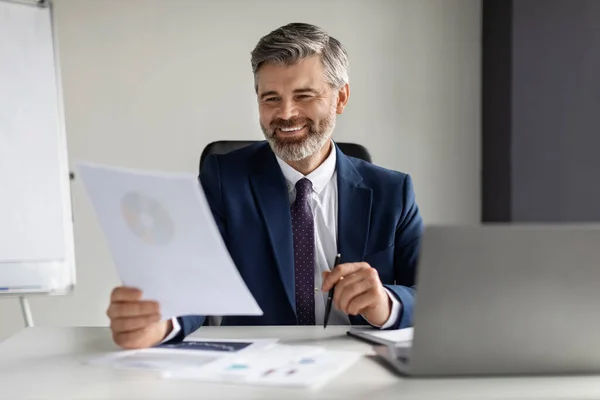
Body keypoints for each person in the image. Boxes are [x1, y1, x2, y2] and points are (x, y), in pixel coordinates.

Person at [107, 22, 424, 349]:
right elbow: (194, 281)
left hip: (359, 364)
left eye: (303, 95)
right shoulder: (223, 179)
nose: (286, 114)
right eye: (271, 98)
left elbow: (432, 293)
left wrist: (386, 303)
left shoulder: (392, 192)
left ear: (340, 98)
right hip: (255, 364)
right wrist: (162, 323)